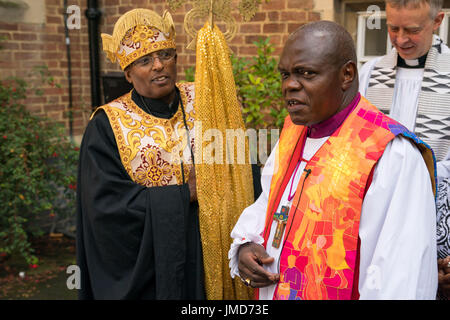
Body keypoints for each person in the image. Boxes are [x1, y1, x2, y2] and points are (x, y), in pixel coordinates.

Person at [228, 21, 438, 300]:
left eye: (306, 73)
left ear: (347, 74)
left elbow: (401, 276)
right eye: (285, 74)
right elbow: (269, 201)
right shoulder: (294, 131)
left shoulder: (390, 154)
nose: (290, 85)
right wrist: (246, 244)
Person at [358, 0, 450, 299]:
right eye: (392, 28)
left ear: (438, 21)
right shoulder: (370, 73)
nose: (400, 39)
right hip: (379, 219)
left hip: (438, 225)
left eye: (412, 29)